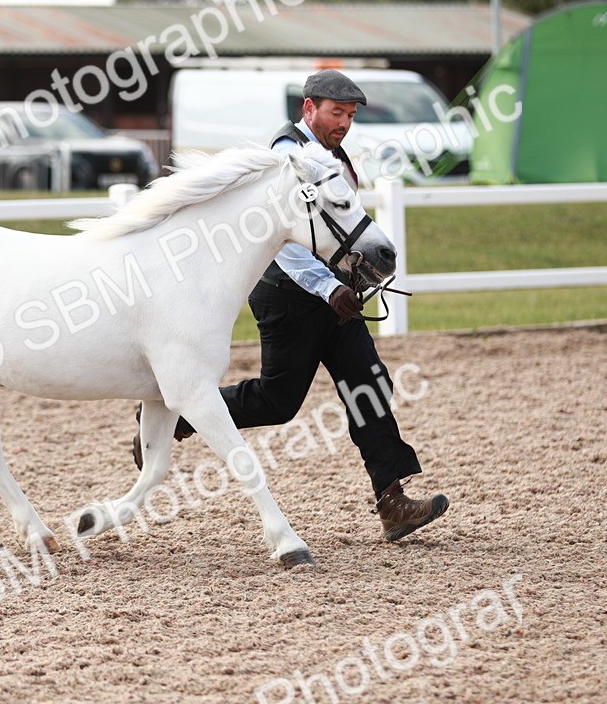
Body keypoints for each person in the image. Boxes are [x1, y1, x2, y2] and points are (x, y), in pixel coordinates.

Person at [132, 69, 448, 542]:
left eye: (350, 115)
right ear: (309, 109)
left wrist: (354, 273)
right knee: (278, 401)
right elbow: (287, 244)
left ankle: (392, 500)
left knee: (369, 385)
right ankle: (176, 415)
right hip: (288, 295)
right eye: (336, 113)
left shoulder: (334, 156)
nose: (344, 123)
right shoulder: (287, 157)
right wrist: (329, 289)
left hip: (335, 297)